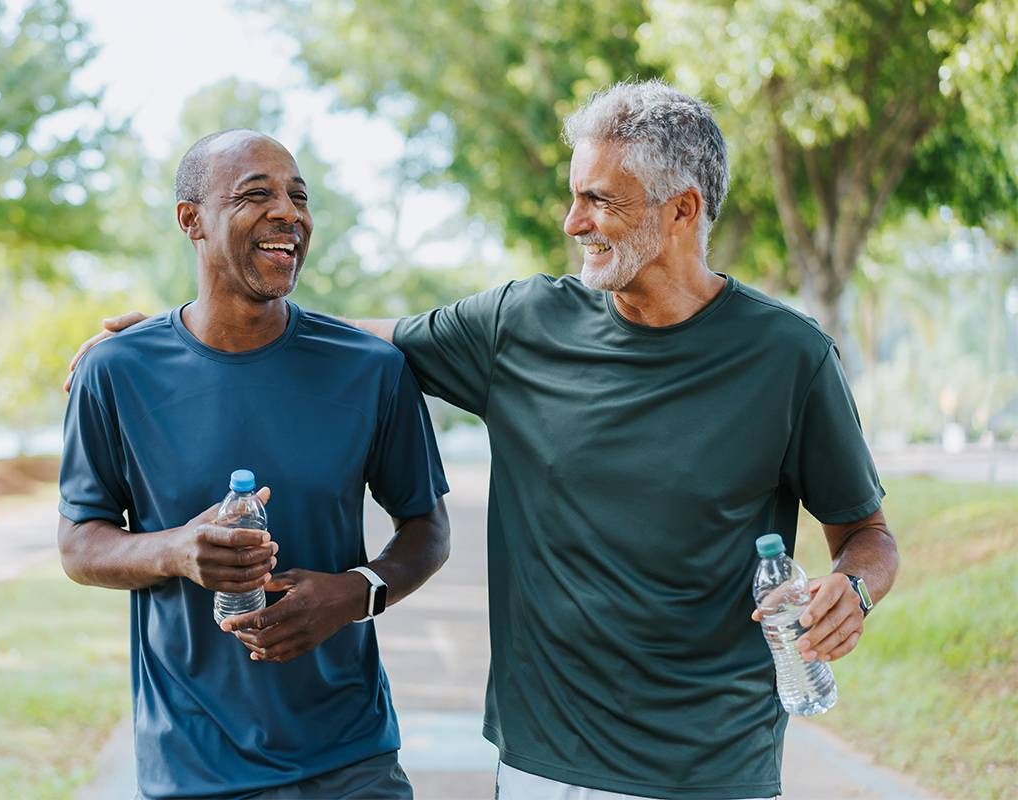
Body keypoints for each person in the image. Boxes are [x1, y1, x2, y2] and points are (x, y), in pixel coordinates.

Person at [69, 81, 899, 800]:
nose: (573, 221)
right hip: (544, 757)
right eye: (575, 194)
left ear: (682, 209)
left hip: (712, 762)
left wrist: (850, 592)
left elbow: (866, 537)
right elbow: (365, 340)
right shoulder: (523, 323)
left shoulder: (789, 357)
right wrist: (178, 334)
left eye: (600, 200)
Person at [58, 129, 450, 800]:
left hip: (352, 760)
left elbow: (427, 529)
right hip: (195, 766)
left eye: (299, 197)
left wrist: (355, 592)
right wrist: (178, 551)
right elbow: (79, 544)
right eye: (255, 194)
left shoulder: (370, 370)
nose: (288, 214)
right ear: (192, 221)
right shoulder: (116, 372)